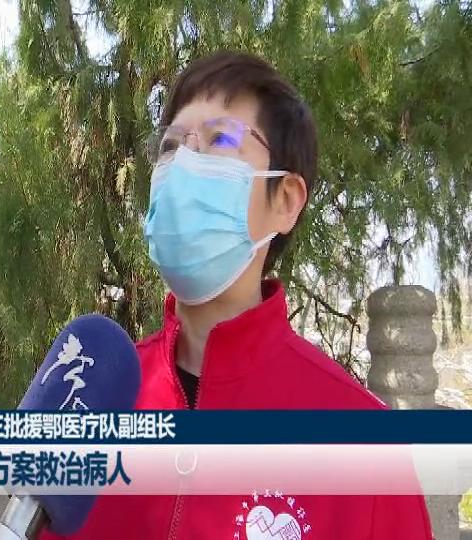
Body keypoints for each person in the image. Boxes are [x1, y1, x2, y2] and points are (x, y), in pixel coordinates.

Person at [40, 50, 433, 540]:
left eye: (221, 139)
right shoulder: (89, 403)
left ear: (285, 200)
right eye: (170, 146)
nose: (184, 164)